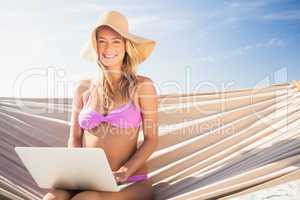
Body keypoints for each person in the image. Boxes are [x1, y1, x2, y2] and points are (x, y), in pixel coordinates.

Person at [43, 10, 158, 200]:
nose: (108, 47)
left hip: (129, 181)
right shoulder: (83, 88)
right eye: (102, 41)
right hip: (86, 180)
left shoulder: (142, 87)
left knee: (85, 199)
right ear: (95, 46)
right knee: (51, 198)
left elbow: (151, 139)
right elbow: (74, 139)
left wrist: (125, 171)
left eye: (115, 41)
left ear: (126, 46)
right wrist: (75, 172)